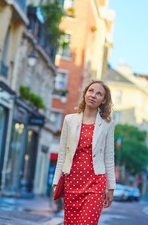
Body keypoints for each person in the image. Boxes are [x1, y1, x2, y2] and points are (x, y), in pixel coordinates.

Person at [52, 80, 115, 225]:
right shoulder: (69, 120)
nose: (93, 95)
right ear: (85, 93)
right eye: (91, 91)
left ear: (103, 100)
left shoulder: (107, 124)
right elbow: (62, 154)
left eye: (99, 94)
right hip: (72, 182)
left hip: (95, 183)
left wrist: (110, 188)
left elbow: (109, 157)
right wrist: (56, 182)